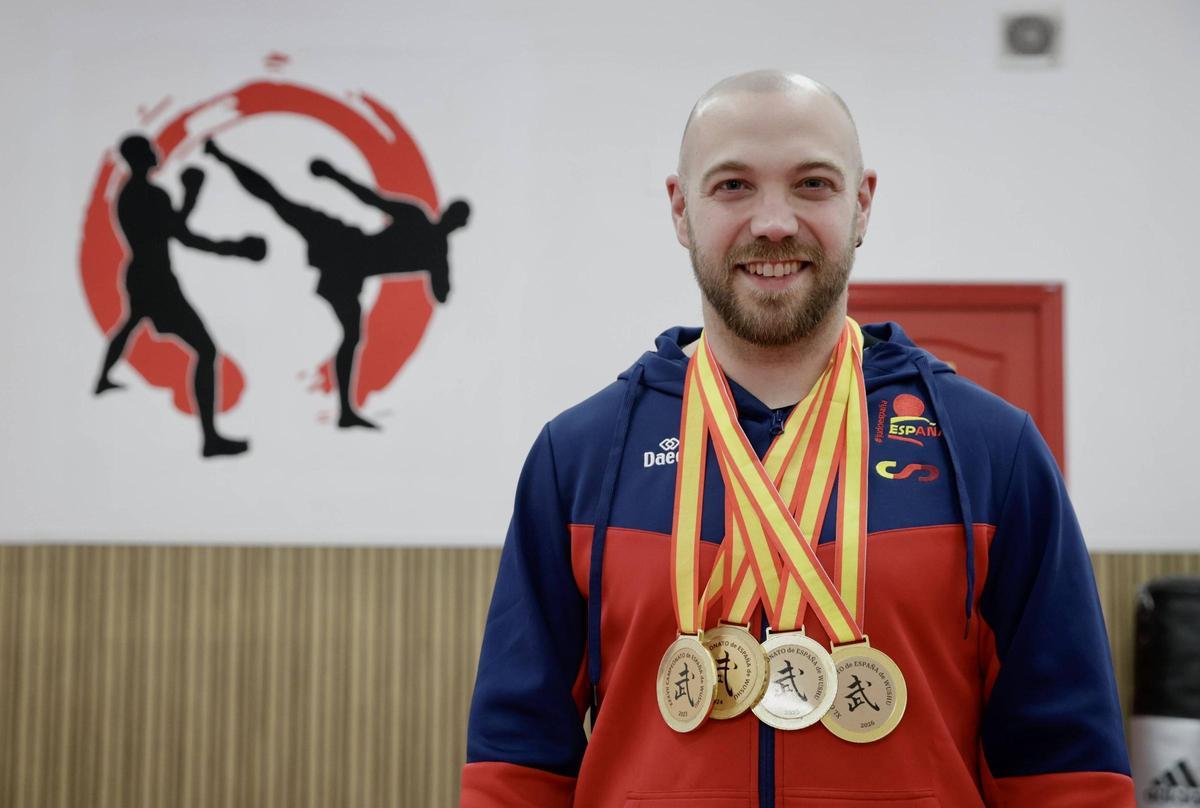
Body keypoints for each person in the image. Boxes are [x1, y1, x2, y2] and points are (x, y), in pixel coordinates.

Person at [462, 71, 1134, 807]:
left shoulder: (991, 451)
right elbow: (517, 764)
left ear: (863, 203)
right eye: (732, 187)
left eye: (813, 184)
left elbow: (1066, 766)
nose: (774, 222)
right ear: (681, 209)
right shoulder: (581, 456)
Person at [203, 139, 470, 429]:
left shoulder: (436, 253)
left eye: (457, 220)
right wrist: (333, 175)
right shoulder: (416, 218)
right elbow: (369, 197)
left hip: (349, 274)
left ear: (459, 225)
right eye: (453, 215)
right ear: (447, 213)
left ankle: (345, 411)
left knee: (353, 336)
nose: (451, 221)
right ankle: (221, 156)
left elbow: (441, 295)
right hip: (342, 241)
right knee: (279, 201)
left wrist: (439, 268)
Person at [94, 134, 266, 458]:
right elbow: (182, 236)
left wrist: (190, 199)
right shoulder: (148, 195)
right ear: (140, 157)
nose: (156, 151)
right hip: (157, 280)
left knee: (132, 322)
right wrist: (236, 246)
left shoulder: (129, 194)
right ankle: (211, 438)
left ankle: (102, 377)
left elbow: (172, 230)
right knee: (206, 349)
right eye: (149, 149)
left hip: (142, 275)